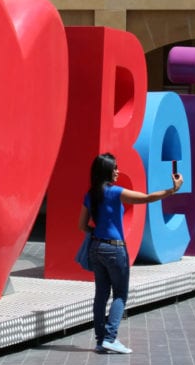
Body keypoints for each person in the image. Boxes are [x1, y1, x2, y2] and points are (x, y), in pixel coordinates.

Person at [78, 152, 183, 354]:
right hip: (115, 249)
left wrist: (98, 233)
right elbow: (147, 198)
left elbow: (82, 225)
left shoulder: (90, 195)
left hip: (97, 247)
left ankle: (101, 340)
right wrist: (173, 190)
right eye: (114, 168)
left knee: (101, 295)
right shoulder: (116, 192)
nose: (117, 171)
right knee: (120, 294)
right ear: (107, 171)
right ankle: (110, 337)